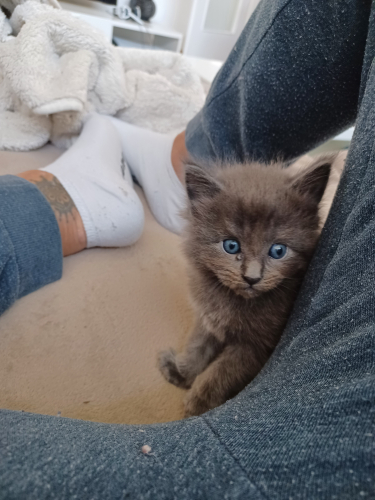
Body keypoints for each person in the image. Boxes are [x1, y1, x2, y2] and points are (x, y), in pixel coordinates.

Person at [0, 0, 374, 497]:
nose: (254, 273)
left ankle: (117, 180)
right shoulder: (212, 245)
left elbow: (251, 346)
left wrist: (204, 389)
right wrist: (193, 359)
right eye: (232, 247)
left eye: (277, 252)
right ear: (199, 217)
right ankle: (177, 158)